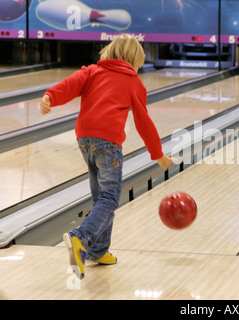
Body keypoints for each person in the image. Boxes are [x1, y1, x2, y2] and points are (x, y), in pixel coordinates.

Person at [40, 34, 172, 280]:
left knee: (100, 197)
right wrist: (158, 154)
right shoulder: (133, 81)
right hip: (108, 143)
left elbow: (69, 84)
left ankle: (98, 251)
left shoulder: (92, 71)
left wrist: (50, 97)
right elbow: (144, 122)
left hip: (84, 139)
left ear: (109, 52)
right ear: (135, 61)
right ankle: (81, 237)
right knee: (110, 198)